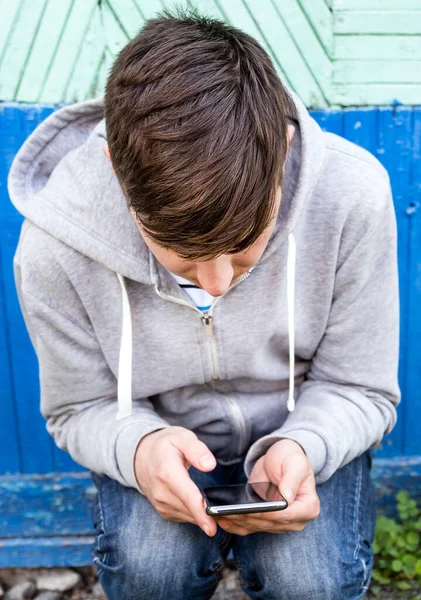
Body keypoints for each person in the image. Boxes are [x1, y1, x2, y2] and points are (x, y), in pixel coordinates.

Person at [8, 9, 400, 600]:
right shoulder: (52, 247)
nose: (216, 284)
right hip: (153, 434)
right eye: (183, 257)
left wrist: (305, 446)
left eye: (244, 250)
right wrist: (141, 451)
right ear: (117, 166)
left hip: (306, 429)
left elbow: (362, 386)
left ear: (283, 149)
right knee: (148, 567)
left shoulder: (352, 197)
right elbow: (77, 405)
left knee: (309, 579)